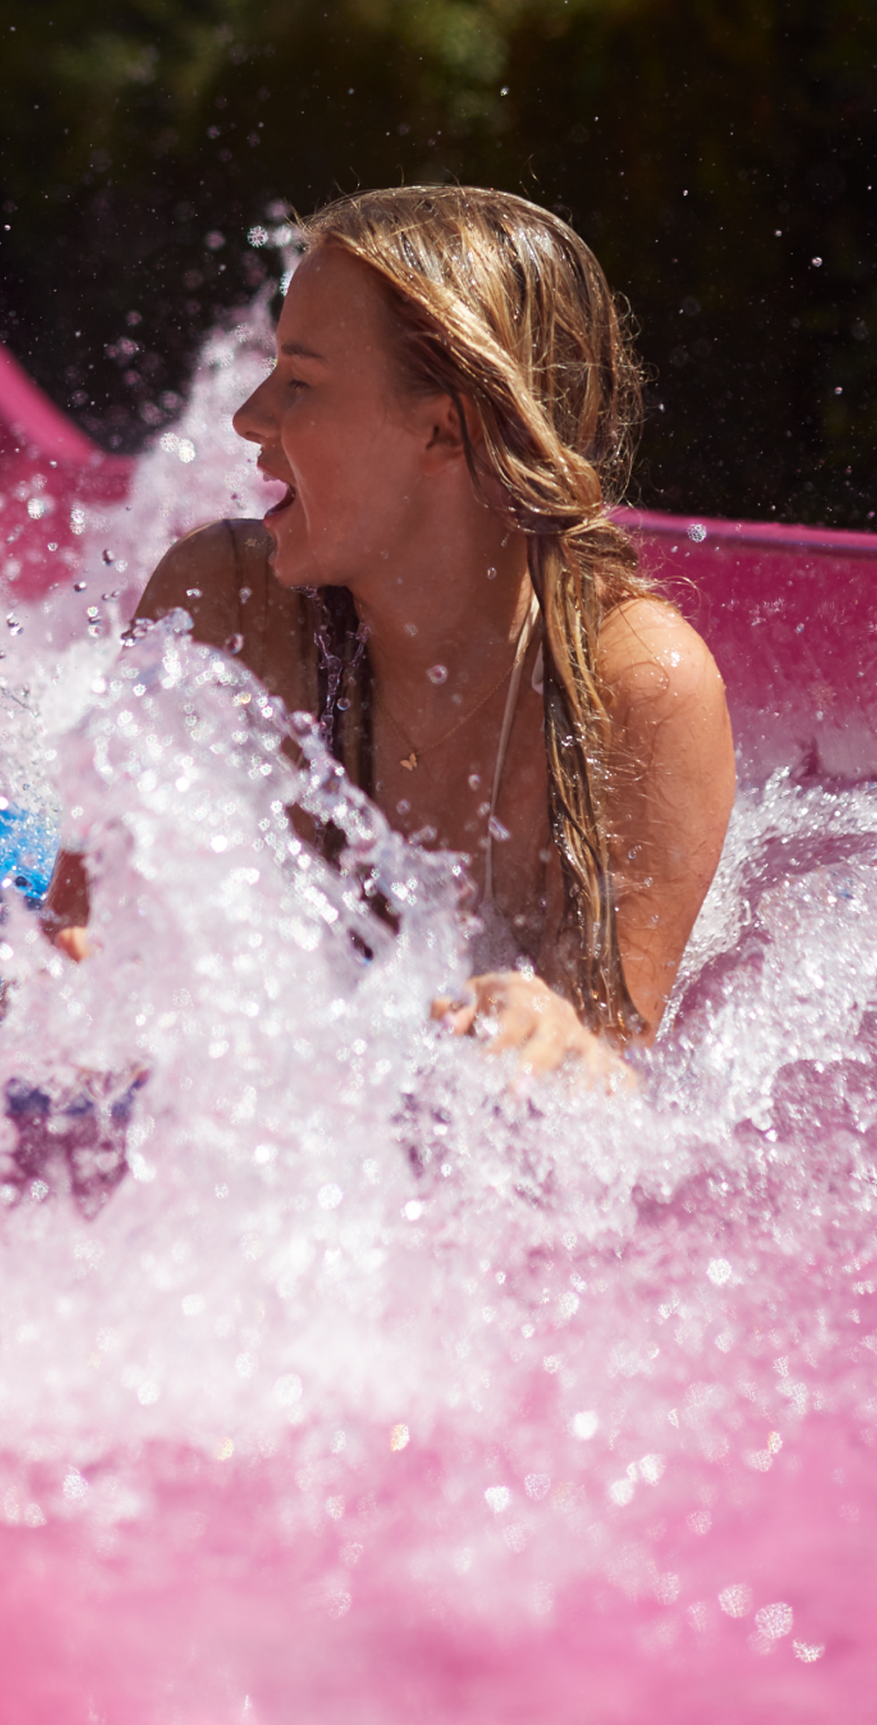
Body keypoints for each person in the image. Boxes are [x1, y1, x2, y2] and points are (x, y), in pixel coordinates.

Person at [45, 187, 735, 1086]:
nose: (248, 418)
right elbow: (71, 949)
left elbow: (621, 1087)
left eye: (300, 382)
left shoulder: (637, 690)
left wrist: (560, 1045)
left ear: (445, 430)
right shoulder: (227, 606)